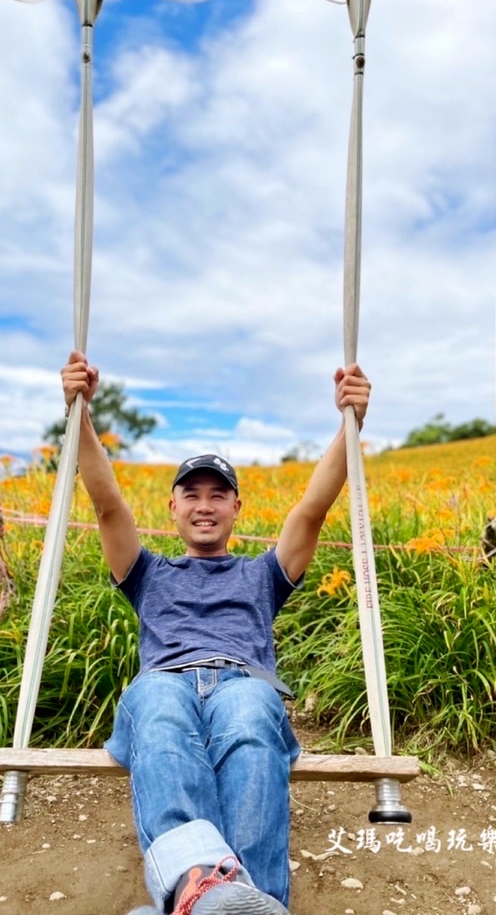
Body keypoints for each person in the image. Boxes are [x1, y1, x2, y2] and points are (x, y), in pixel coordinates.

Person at [59, 351, 370, 915]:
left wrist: (350, 423)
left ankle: (235, 900)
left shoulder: (261, 575)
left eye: (218, 494)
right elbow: (106, 505)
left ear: (236, 507)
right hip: (166, 679)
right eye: (193, 494)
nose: (205, 505)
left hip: (241, 681)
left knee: (252, 716)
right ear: (173, 506)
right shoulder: (147, 572)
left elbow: (311, 511)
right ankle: (204, 885)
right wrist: (78, 412)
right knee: (157, 710)